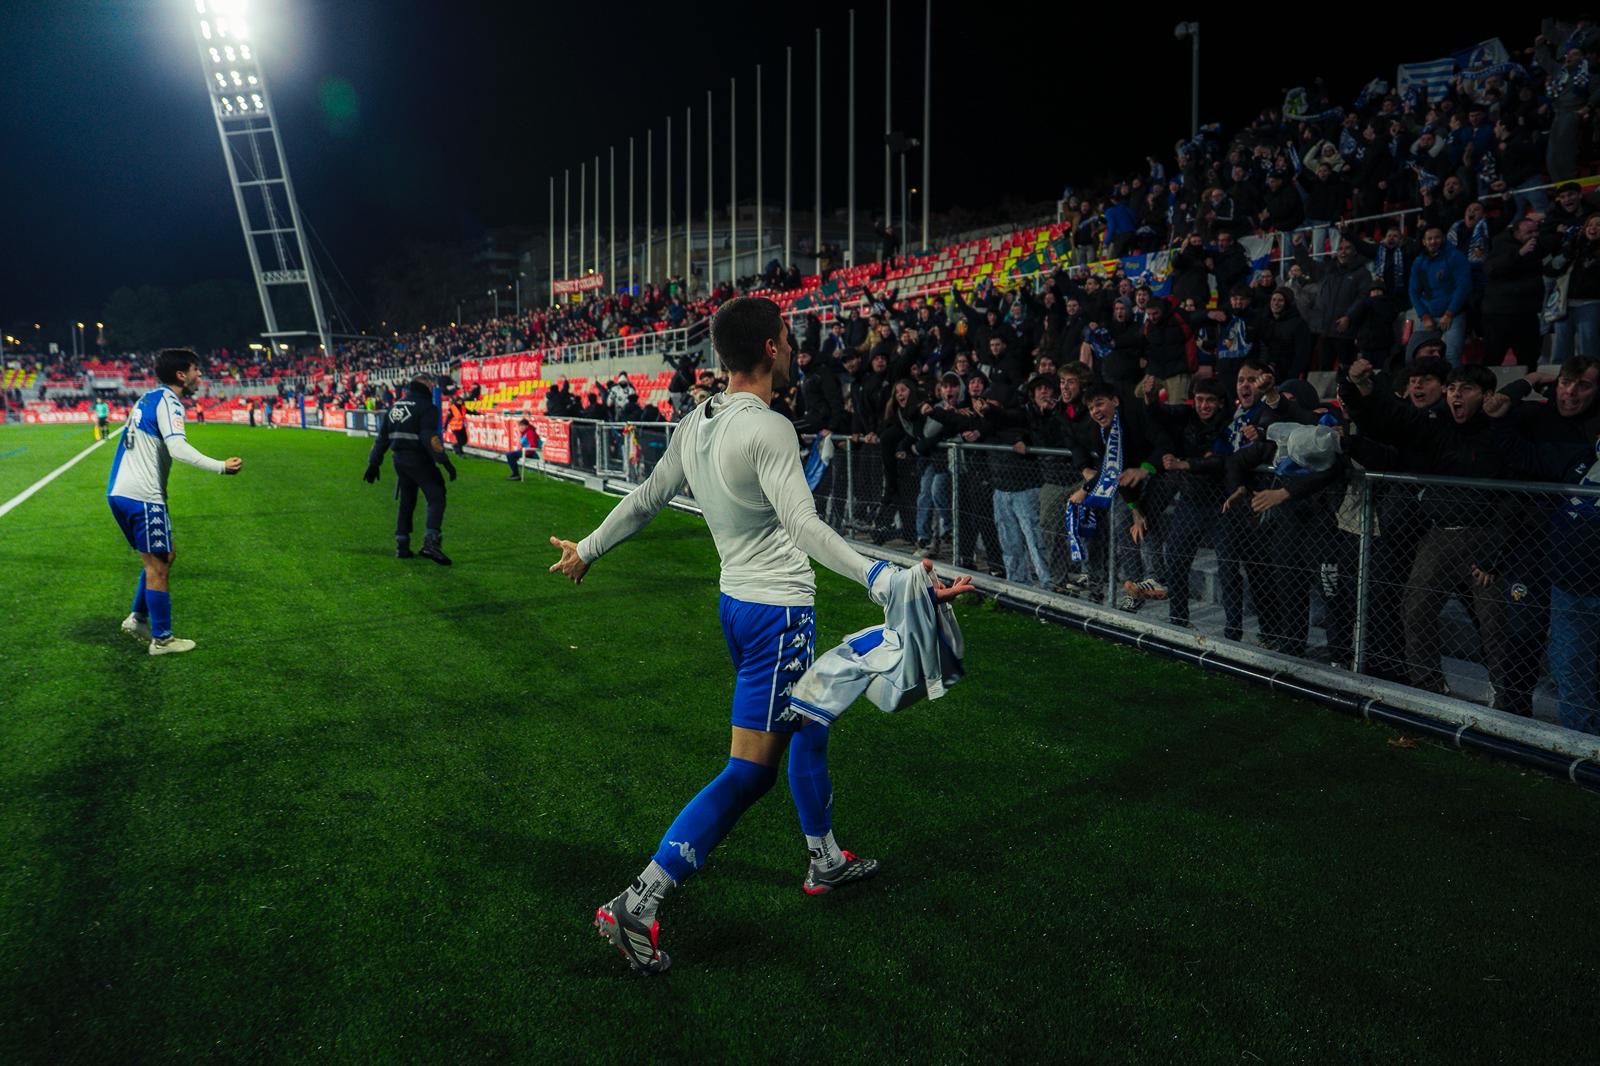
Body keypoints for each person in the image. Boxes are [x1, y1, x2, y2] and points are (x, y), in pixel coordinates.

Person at [547, 297, 971, 975]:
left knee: (809, 723)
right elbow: (802, 527)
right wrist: (884, 580)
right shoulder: (769, 427)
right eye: (786, 335)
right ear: (774, 347)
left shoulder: (698, 421)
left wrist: (589, 549)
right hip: (777, 615)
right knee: (749, 773)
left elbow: (647, 496)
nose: (791, 344)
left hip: (738, 606)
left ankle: (824, 858)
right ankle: (640, 899)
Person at [108, 348, 243, 656]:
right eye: (196, 370)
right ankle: (163, 639)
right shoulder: (170, 401)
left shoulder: (148, 398)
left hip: (120, 491)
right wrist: (221, 466)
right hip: (143, 496)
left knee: (164, 555)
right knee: (157, 566)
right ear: (181, 374)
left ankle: (137, 619)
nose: (199, 375)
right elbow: (178, 448)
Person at [363, 372, 457, 565]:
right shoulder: (427, 407)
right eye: (430, 384)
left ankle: (402, 544)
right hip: (419, 459)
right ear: (423, 384)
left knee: (407, 500)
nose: (432, 387)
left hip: (399, 461)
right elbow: (429, 438)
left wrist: (374, 463)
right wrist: (445, 462)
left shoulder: (395, 407)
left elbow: (382, 438)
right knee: (436, 495)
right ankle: (431, 542)